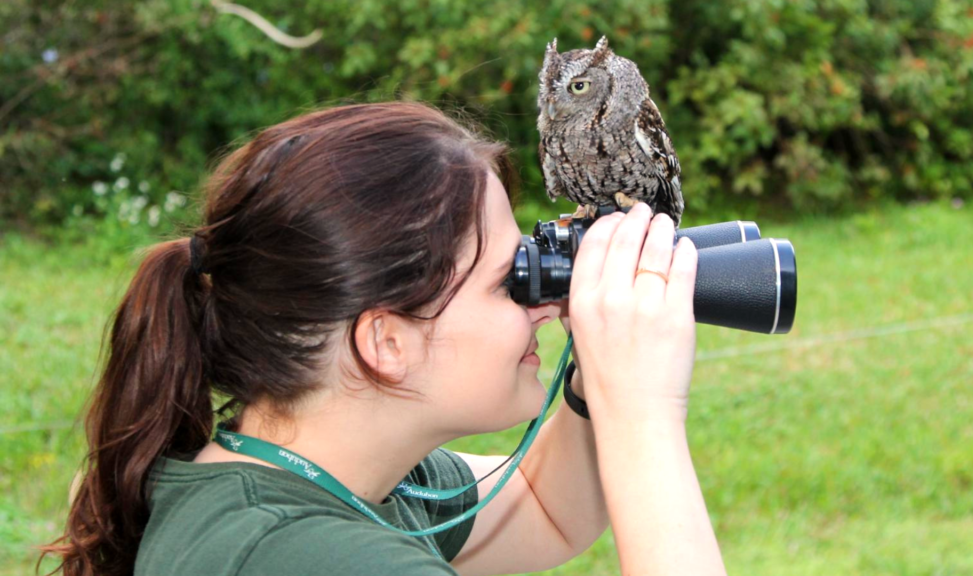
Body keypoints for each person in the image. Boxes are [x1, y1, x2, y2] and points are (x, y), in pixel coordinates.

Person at [41, 102, 726, 575]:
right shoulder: (303, 557)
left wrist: (589, 382)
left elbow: (546, 509)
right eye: (505, 281)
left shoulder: (319, 481)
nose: (544, 306)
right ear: (386, 343)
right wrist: (642, 416)